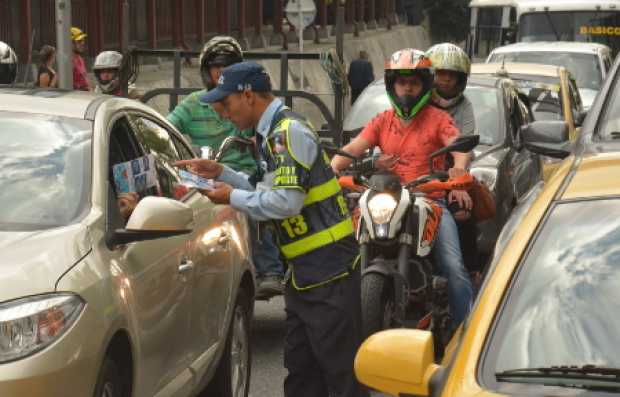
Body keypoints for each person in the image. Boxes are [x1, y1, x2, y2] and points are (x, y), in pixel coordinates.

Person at [174, 62, 369, 397]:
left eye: (227, 103)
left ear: (247, 95)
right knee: (302, 376)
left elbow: (286, 203)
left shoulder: (286, 133)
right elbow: (265, 187)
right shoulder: (270, 133)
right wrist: (222, 173)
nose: (223, 114)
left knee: (340, 375)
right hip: (306, 272)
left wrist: (231, 197)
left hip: (328, 271)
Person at [331, 49, 474, 330]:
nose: (407, 88)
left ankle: (466, 334)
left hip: (429, 198)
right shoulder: (382, 120)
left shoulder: (438, 119)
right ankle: (338, 331)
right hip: (384, 197)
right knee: (340, 259)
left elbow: (459, 147)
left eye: (413, 83)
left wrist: (459, 169)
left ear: (424, 85)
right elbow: (351, 149)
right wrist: (332, 169)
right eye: (401, 83)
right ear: (392, 86)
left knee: (454, 269)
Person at [167, 36, 285, 298]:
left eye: (228, 67)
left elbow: (283, 197)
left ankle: (270, 269)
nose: (221, 73)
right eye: (216, 67)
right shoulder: (192, 104)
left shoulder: (267, 118)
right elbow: (166, 131)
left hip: (241, 172)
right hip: (203, 173)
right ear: (206, 71)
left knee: (252, 200)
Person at [426, 43, 480, 274]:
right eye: (440, 73)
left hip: (445, 173)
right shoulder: (412, 102)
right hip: (409, 173)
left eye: (452, 75)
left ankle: (468, 270)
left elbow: (463, 146)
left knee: (463, 210)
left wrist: (458, 177)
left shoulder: (464, 107)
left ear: (460, 80)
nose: (446, 80)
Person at [71, 26, 91, 91]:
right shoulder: (66, 62)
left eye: (83, 40)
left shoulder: (80, 59)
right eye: (79, 41)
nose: (83, 43)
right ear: (70, 43)